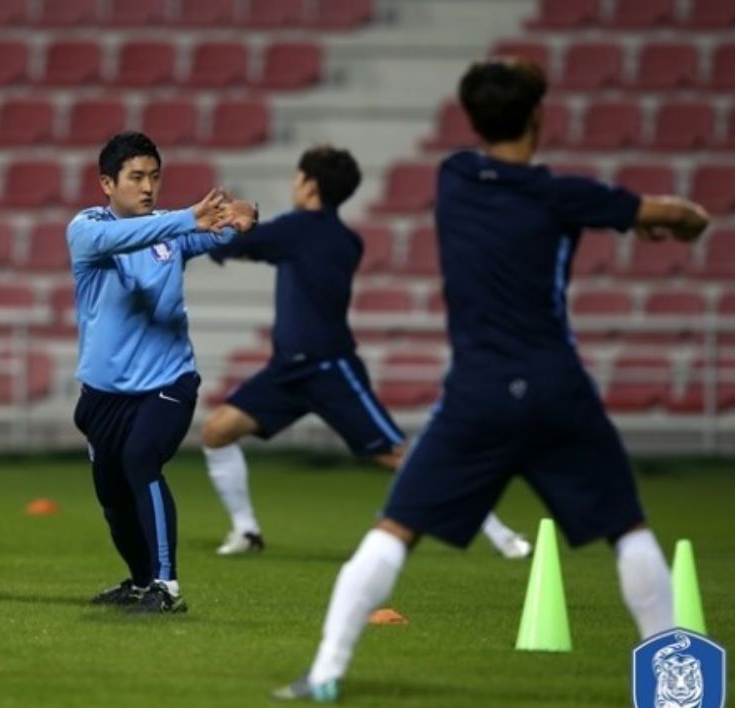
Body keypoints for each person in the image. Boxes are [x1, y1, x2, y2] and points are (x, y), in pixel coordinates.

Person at [273, 58, 709, 702]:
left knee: (395, 530)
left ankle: (325, 672)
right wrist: (656, 216)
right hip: (558, 386)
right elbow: (684, 215)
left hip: (478, 391)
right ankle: (680, 693)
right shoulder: (570, 197)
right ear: (538, 116)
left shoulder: (454, 177)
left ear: (474, 120)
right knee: (629, 530)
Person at [200, 146, 530, 560]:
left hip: (330, 370)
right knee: (217, 430)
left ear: (310, 184)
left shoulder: (298, 230)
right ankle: (246, 532)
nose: (294, 184)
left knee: (398, 455)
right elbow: (259, 246)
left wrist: (243, 216)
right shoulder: (345, 239)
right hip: (288, 371)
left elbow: (224, 249)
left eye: (298, 177)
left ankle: (499, 533)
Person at [68, 131, 255, 613]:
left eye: (154, 176)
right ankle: (137, 580)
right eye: (136, 177)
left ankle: (165, 587)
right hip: (104, 394)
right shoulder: (88, 229)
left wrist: (245, 214)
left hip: (168, 384)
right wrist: (185, 220)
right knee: (112, 495)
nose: (148, 186)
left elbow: (226, 226)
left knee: (140, 462)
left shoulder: (171, 233)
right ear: (107, 183)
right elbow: (135, 234)